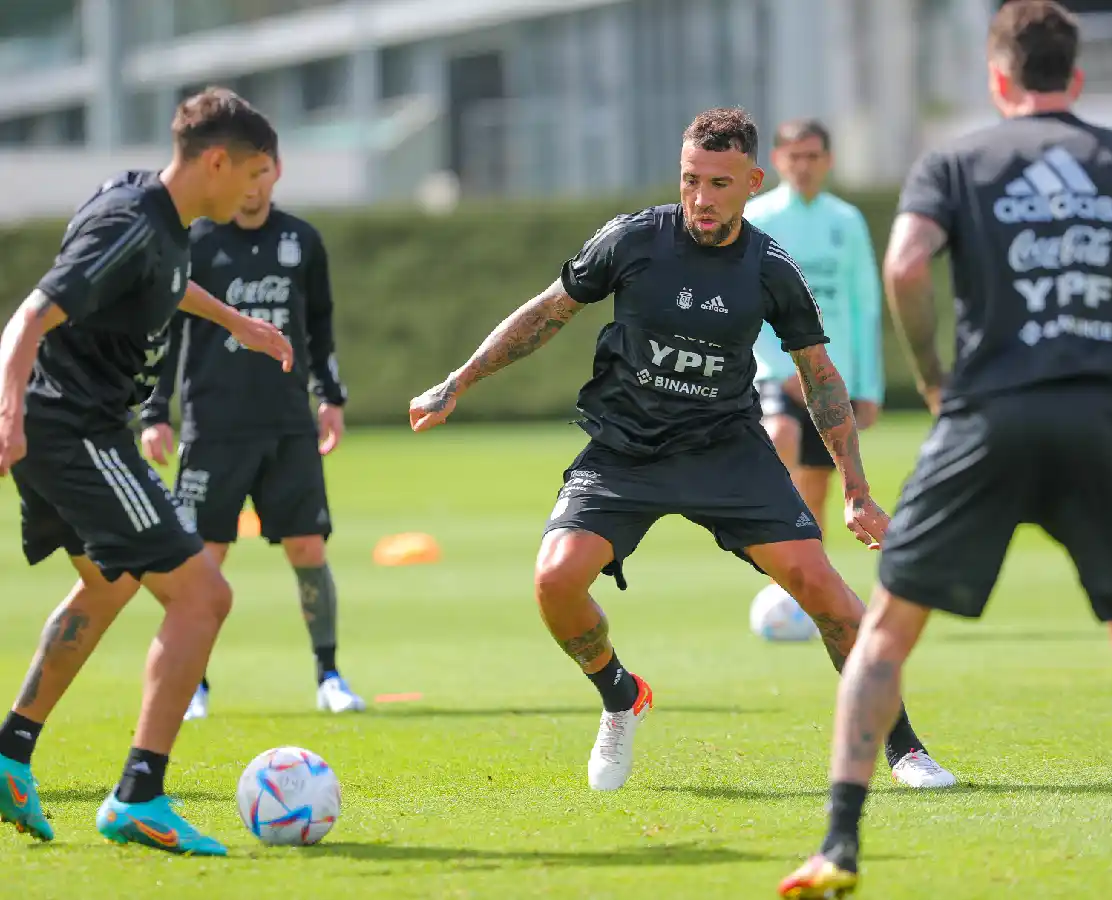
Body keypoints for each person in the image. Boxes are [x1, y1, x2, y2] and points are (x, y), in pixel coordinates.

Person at [781, 3, 1112, 898]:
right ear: (1074, 79)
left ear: (998, 78)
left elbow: (904, 266)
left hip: (984, 419)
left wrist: (934, 379)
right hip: (1104, 423)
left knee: (887, 633)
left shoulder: (956, 161)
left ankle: (839, 847)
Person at [408, 107, 954, 793]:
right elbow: (547, 312)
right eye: (690, 179)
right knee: (553, 581)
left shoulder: (770, 268)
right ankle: (619, 696)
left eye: (719, 183)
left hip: (725, 449)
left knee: (831, 598)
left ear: (752, 181)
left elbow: (821, 380)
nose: (700, 197)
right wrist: (459, 381)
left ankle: (903, 748)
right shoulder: (632, 241)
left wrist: (856, 491)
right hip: (626, 449)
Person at [0, 88, 292, 857]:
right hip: (76, 432)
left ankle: (9, 752)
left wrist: (234, 321)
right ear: (217, 160)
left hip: (70, 430)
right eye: (256, 172)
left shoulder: (150, 209)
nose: (260, 190)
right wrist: (7, 415)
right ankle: (139, 794)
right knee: (204, 595)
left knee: (107, 582)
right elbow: (29, 316)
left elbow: (158, 281)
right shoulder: (132, 223)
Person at [140, 155, 363, 721]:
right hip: (213, 426)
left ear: (277, 173)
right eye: (244, 172)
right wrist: (153, 412)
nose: (252, 185)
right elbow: (165, 324)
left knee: (308, 548)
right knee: (203, 559)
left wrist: (329, 396)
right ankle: (195, 684)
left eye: (262, 172)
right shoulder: (197, 241)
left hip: (288, 424)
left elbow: (320, 324)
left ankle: (329, 676)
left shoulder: (302, 241)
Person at [746, 120, 884, 531]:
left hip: (831, 377)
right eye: (795, 156)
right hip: (778, 373)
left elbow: (864, 306)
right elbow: (746, 304)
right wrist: (781, 368)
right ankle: (766, 535)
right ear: (776, 161)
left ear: (828, 161)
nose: (803, 166)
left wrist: (868, 388)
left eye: (812, 156)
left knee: (817, 494)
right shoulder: (757, 216)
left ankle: (807, 591)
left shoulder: (847, 221)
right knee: (780, 432)